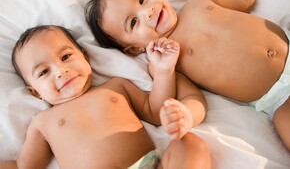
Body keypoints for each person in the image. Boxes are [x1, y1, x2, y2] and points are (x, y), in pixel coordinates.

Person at [84, 0, 290, 151]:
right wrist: (187, 116)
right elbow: (193, 98)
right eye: (134, 21)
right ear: (135, 49)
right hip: (279, 98)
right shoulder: (167, 62)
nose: (147, 11)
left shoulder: (198, 3)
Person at [0, 25, 210, 169]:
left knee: (190, 143)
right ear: (35, 92)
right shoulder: (42, 122)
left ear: (84, 56)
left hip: (147, 165)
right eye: (44, 72)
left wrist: (164, 71)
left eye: (65, 57)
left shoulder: (116, 88)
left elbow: (155, 112)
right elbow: (23, 166)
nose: (60, 71)